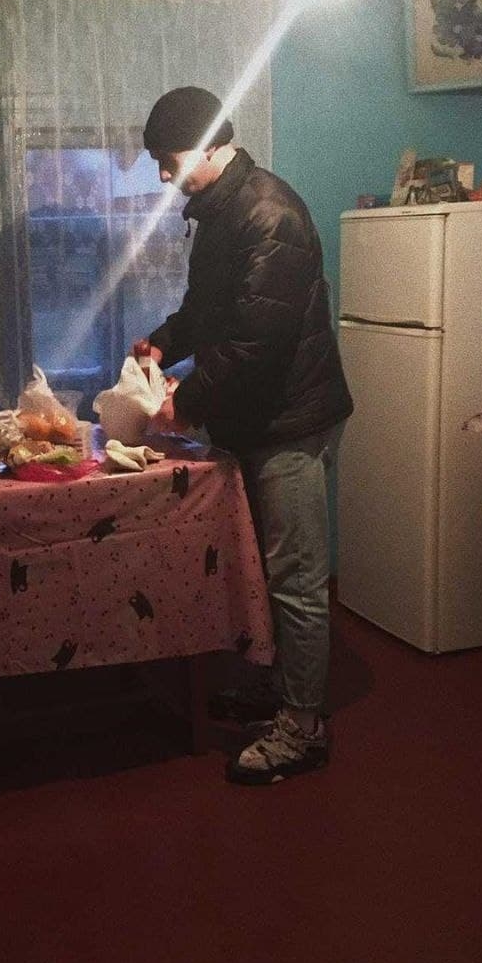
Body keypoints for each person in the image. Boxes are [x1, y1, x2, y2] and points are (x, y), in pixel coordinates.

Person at [133, 86, 353, 785]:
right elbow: (208, 311)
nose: (162, 176)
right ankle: (280, 689)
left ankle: (303, 729)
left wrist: (186, 404)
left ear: (205, 146)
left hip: (291, 421)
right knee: (268, 565)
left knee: (296, 578)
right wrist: (163, 343)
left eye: (167, 160)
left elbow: (257, 341)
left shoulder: (269, 213)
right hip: (257, 417)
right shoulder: (223, 210)